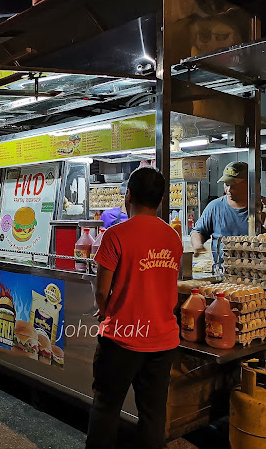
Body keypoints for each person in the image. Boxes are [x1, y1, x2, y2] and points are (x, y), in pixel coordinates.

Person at [87, 166, 183, 449]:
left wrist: (105, 311)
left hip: (122, 338)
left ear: (128, 195)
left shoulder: (115, 235)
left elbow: (102, 289)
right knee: (153, 416)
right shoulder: (173, 238)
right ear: (161, 199)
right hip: (163, 341)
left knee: (106, 409)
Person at [191, 161, 266, 263]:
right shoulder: (215, 207)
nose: (228, 189)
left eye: (233, 185)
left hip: (258, 273)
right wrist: (198, 245)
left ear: (249, 183)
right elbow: (198, 231)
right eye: (226, 184)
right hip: (223, 272)